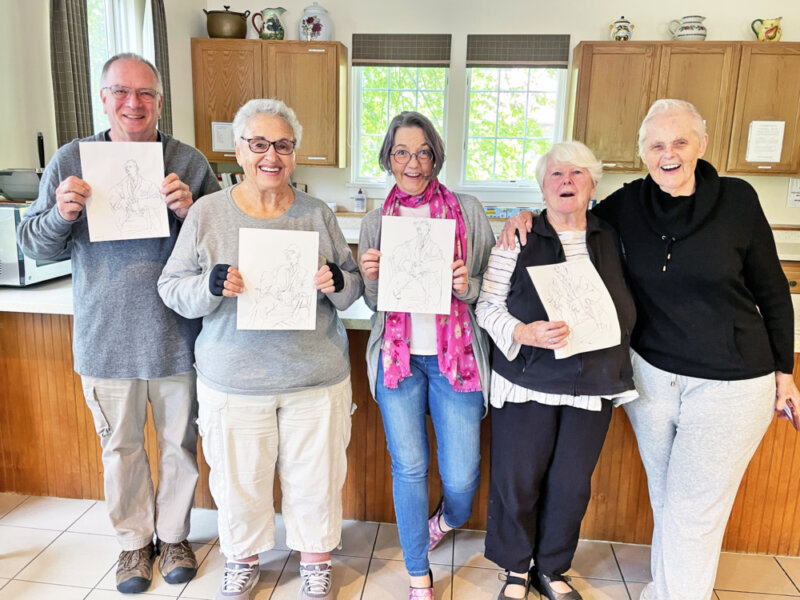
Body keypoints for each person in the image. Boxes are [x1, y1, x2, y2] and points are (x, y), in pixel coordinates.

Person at [500, 99, 799, 600]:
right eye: (657, 144)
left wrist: (784, 371)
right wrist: (525, 213)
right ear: (642, 152)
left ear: (701, 145)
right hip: (653, 378)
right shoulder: (626, 205)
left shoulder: (738, 199)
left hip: (731, 381)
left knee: (691, 509)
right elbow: (571, 206)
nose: (669, 154)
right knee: (670, 500)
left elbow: (773, 290)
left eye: (680, 141)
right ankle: (667, 589)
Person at [17, 53, 220, 594]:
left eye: (146, 94)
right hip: (105, 337)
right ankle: (134, 544)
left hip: (178, 336)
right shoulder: (70, 160)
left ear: (159, 100)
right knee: (121, 447)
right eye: (122, 93)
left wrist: (192, 209)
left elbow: (225, 248)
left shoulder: (190, 161)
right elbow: (32, 245)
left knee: (180, 444)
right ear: (102, 99)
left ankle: (174, 535)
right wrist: (61, 212)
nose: (134, 103)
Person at [158, 98, 363, 600]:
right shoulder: (207, 213)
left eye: (284, 146)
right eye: (259, 144)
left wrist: (336, 279)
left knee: (316, 478)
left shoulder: (317, 214)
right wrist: (209, 284)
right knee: (238, 480)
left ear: (294, 154)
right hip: (235, 379)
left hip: (315, 378)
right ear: (239, 150)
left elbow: (354, 286)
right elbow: (171, 287)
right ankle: (243, 560)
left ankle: (314, 561)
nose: (272, 155)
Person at [477, 141, 637, 600]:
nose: (566, 181)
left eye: (577, 174)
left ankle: (553, 567)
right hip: (527, 378)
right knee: (518, 479)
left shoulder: (613, 237)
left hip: (592, 381)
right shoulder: (517, 236)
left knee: (570, 484)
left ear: (592, 184)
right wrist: (522, 332)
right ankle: (514, 567)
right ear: (542, 188)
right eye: (556, 175)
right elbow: (487, 305)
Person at [358, 111, 495, 599]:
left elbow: (496, 287)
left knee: (462, 477)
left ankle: (447, 519)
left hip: (454, 360)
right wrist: (369, 278)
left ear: (435, 155)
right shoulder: (377, 221)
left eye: (421, 151)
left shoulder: (468, 210)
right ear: (388, 160)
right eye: (401, 152)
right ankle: (418, 573)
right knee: (409, 468)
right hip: (399, 362)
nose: (412, 162)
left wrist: (469, 285)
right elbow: (374, 304)